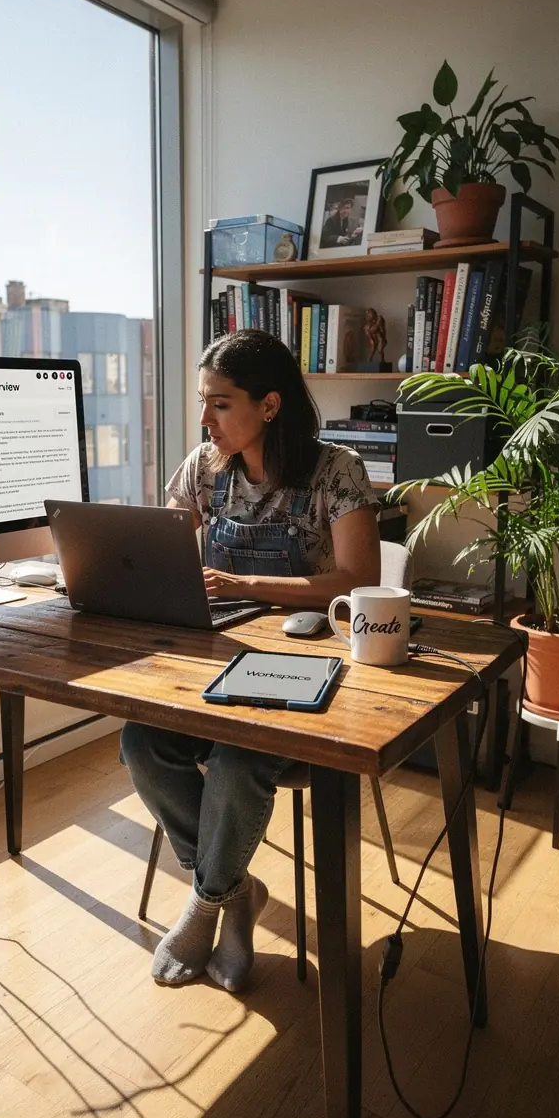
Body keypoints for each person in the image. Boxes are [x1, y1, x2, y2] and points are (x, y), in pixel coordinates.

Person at [120, 330, 381, 992]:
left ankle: (208, 906)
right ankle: (235, 890)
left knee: (238, 760)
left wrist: (242, 586)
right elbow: (162, 547)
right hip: (216, 661)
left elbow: (356, 579)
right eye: (204, 404)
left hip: (307, 673)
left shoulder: (336, 470)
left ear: (269, 405)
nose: (205, 420)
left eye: (219, 404)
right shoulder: (207, 467)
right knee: (141, 742)